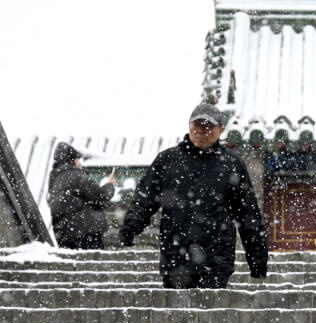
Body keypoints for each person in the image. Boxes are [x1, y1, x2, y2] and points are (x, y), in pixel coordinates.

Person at [118, 103, 268, 289]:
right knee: (176, 315)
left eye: (208, 127)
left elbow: (248, 215)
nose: (201, 131)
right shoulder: (168, 160)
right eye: (196, 126)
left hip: (216, 258)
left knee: (212, 315)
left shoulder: (231, 164)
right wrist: (131, 226)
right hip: (176, 254)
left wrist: (257, 260)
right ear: (189, 126)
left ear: (220, 131)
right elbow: (145, 198)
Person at [47, 142, 115, 249]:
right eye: (77, 159)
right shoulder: (76, 175)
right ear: (71, 160)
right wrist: (110, 185)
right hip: (85, 232)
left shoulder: (55, 179)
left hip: (65, 234)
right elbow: (100, 196)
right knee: (94, 263)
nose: (79, 162)